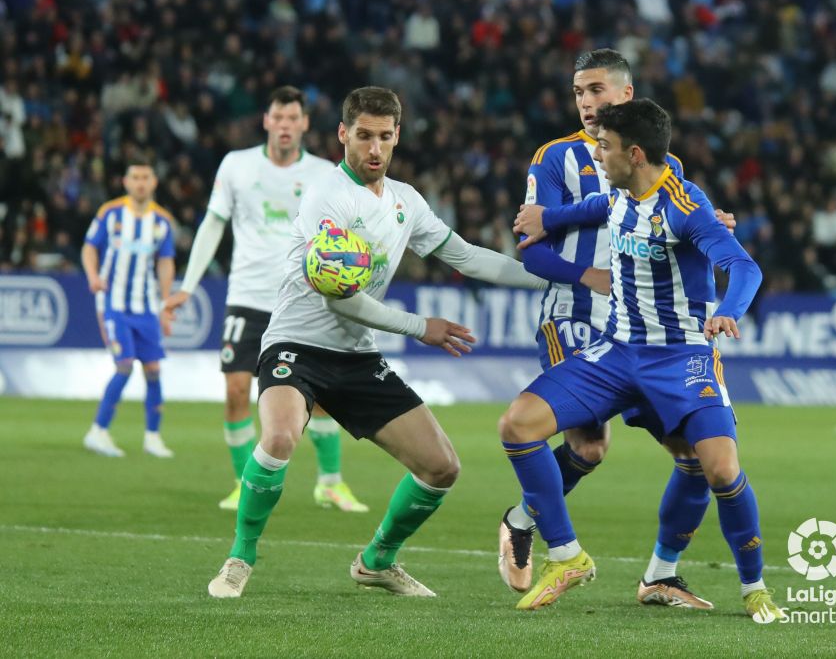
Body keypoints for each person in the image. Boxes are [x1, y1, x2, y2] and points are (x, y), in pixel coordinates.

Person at [207, 86, 548, 599]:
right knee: (279, 438)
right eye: (363, 136)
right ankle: (240, 557)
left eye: (384, 137)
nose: (373, 148)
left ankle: (377, 561)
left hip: (356, 356)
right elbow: (340, 301)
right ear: (343, 134)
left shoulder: (405, 201)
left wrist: (559, 280)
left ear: (396, 138)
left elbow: (470, 257)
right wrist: (420, 327)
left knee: (441, 467)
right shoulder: (327, 197)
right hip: (296, 346)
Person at [505, 98, 785, 621]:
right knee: (518, 425)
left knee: (719, 469)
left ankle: (753, 586)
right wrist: (550, 217)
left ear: (634, 154)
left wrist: (727, 311)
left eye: (604, 149)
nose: (596, 158)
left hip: (682, 356)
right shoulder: (618, 191)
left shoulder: (684, 206)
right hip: (616, 351)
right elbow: (595, 209)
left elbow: (743, 268)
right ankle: (566, 557)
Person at [164, 86, 367, 513]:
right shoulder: (236, 166)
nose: (286, 126)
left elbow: (349, 234)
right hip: (248, 295)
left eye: (294, 118)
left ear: (305, 124)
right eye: (279, 117)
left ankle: (330, 482)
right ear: (266, 121)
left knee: (324, 395)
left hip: (304, 300)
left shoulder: (325, 173)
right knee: (237, 390)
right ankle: (243, 482)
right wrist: (188, 283)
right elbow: (213, 224)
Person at [81, 160, 176, 459]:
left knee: (153, 368)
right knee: (124, 364)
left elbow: (165, 262)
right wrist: (93, 276)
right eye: (135, 177)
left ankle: (152, 437)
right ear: (125, 181)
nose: (140, 183)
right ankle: (98, 431)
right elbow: (88, 247)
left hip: (146, 306)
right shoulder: (110, 213)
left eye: (145, 177)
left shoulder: (161, 221)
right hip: (114, 304)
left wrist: (164, 305)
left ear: (154, 182)